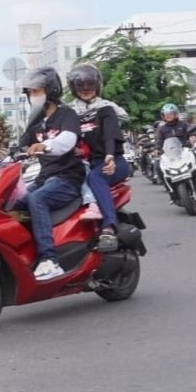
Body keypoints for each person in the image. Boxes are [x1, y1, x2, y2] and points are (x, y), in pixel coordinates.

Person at [15, 67, 86, 281]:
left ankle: (49, 259)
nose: (33, 96)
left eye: (37, 91)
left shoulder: (66, 114)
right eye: (31, 92)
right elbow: (18, 148)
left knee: (37, 199)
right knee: (11, 202)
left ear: (51, 90)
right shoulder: (35, 121)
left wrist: (44, 146)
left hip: (68, 178)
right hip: (44, 178)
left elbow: (67, 141)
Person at [66, 64, 131, 251]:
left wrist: (110, 156)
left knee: (96, 176)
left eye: (90, 84)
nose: (86, 89)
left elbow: (110, 135)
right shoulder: (69, 113)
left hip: (113, 162)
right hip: (85, 163)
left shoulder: (106, 109)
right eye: (80, 85)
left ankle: (109, 228)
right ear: (74, 88)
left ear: (98, 86)